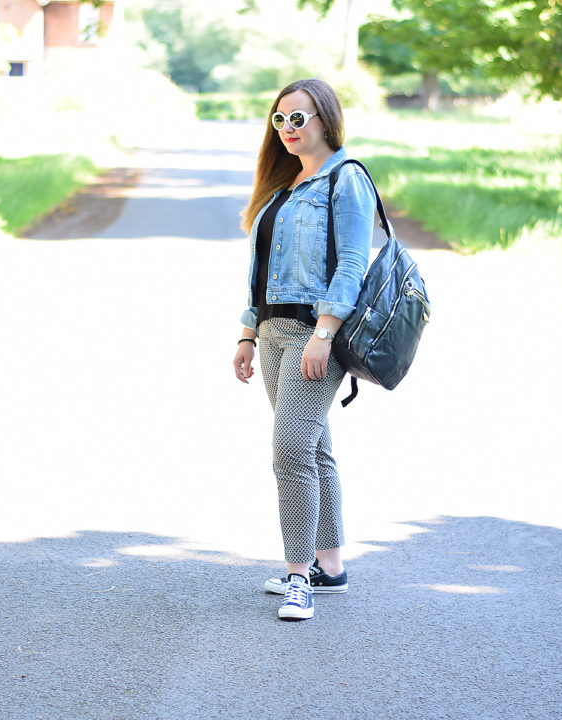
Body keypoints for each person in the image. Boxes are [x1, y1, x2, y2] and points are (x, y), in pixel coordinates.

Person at [232, 78, 375, 621]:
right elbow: (259, 269)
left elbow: (353, 264)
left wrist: (324, 333)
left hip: (317, 336)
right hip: (271, 334)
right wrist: (247, 333)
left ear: (325, 118)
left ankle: (298, 577)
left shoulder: (347, 180)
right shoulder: (281, 187)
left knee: (290, 448)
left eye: (300, 117)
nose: (289, 128)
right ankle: (329, 566)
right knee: (313, 448)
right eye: (280, 120)